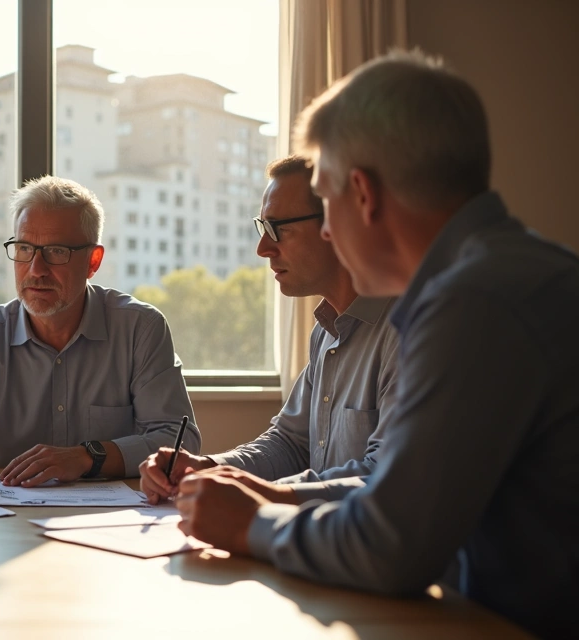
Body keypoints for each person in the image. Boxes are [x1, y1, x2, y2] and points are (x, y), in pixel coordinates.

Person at [175, 51, 579, 638]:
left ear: (363, 195)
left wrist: (252, 525)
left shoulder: (474, 302)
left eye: (327, 203)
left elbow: (389, 544)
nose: (327, 230)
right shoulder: (511, 272)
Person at [0, 176, 197, 489]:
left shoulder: (140, 330)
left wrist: (86, 457)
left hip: (112, 521)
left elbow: (176, 440)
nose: (36, 269)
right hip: (7, 521)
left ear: (93, 261)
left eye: (56, 251)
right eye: (24, 248)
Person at [141, 156, 399, 505]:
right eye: (262, 228)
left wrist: (263, 496)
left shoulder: (404, 331)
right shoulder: (326, 331)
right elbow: (290, 444)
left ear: (336, 223)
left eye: (278, 228)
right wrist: (206, 467)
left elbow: (384, 478)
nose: (263, 249)